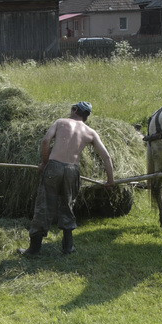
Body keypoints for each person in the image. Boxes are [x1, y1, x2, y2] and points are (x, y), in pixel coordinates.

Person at [19, 101, 115, 256]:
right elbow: (106, 156)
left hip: (54, 167)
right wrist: (110, 180)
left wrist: (44, 163)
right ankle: (68, 248)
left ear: (75, 110)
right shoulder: (90, 132)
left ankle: (34, 249)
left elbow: (45, 141)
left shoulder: (61, 122)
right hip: (72, 170)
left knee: (44, 205)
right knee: (68, 205)